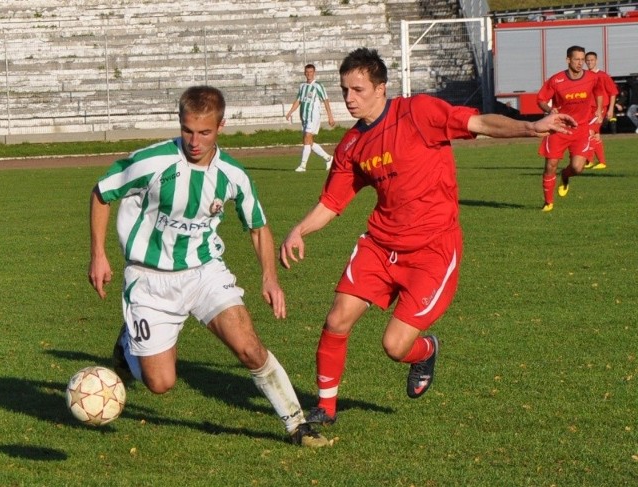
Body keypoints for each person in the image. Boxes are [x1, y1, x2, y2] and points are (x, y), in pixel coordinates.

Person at [279, 47, 576, 427]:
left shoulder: (418, 112)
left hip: (432, 250)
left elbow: (480, 124)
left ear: (381, 88)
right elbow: (332, 202)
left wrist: (532, 126)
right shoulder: (352, 146)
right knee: (337, 319)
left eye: (358, 89)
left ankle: (426, 350)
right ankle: (326, 408)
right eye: (344, 91)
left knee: (394, 346)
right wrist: (299, 230)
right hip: (380, 244)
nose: (350, 99)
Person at [88, 85, 329, 448]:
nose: (194, 141)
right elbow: (102, 192)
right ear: (179, 123)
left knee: (249, 348)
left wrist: (269, 277)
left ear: (221, 127)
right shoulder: (152, 161)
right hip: (149, 279)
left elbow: (258, 224)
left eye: (204, 132)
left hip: (204, 273)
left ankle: (298, 425)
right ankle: (128, 344)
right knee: (161, 383)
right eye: (187, 130)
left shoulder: (232, 174)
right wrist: (99, 253)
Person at [537, 45, 603, 212]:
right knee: (550, 165)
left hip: (580, 129)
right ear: (568, 60)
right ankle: (548, 202)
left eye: (582, 59)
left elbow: (599, 92)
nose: (580, 63)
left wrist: (600, 111)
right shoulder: (556, 80)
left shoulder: (592, 78)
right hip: (559, 129)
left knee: (577, 168)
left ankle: (565, 176)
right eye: (577, 59)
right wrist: (549, 109)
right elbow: (541, 99)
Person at [285, 63, 336, 172]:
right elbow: (298, 100)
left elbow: (326, 100)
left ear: (314, 73)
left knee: (307, 138)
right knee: (309, 141)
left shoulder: (318, 85)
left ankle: (303, 166)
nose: (309, 74)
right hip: (304, 117)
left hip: (313, 116)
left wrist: (330, 116)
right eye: (307, 72)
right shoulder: (302, 86)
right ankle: (328, 158)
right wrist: (290, 112)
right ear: (304, 73)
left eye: (311, 72)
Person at [583, 51, 618, 169]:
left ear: (596, 61)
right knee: (595, 135)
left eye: (592, 60)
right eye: (587, 60)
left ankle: (589, 160)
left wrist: (610, 109)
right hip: (589, 109)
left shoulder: (603, 75)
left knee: (589, 132)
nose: (589, 62)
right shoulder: (585, 75)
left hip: (600, 108)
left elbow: (613, 92)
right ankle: (601, 162)